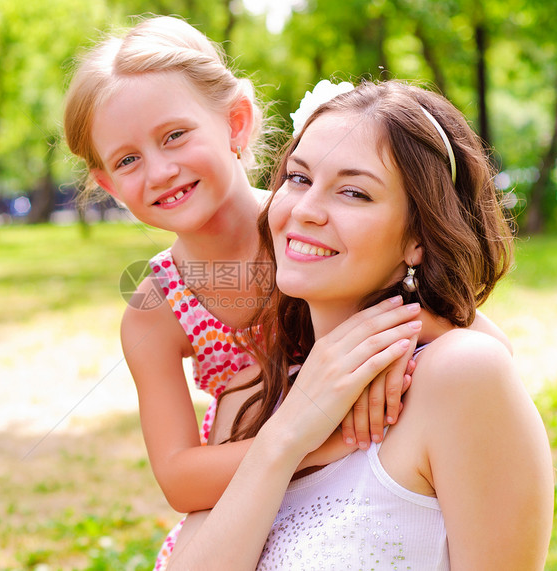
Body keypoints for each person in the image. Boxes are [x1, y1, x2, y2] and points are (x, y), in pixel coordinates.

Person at [63, 16, 511, 568]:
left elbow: (484, 344)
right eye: (127, 160)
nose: (159, 171)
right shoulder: (157, 309)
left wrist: (390, 345)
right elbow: (179, 478)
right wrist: (324, 433)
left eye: (175, 135)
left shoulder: (304, 234)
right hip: (246, 491)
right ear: (108, 183)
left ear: (236, 123)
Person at [168, 79, 554, 569]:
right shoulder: (250, 395)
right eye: (299, 178)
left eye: (353, 192)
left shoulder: (460, 375)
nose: (304, 210)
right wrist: (286, 437)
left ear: (418, 237)